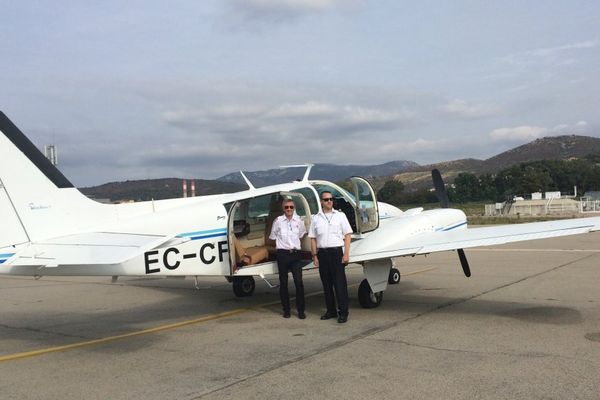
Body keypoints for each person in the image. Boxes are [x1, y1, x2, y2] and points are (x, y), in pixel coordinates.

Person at [309, 191, 353, 323]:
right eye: (326, 199)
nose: (329, 201)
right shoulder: (316, 218)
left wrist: (346, 254)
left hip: (336, 253)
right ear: (321, 202)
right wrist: (314, 256)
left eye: (331, 199)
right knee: (326, 285)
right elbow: (312, 238)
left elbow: (348, 235)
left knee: (340, 284)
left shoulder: (340, 216)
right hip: (322, 253)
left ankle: (343, 312)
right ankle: (331, 311)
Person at [269, 198, 307, 319]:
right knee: (283, 283)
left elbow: (301, 235)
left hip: (295, 254)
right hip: (283, 255)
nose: (289, 209)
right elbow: (273, 236)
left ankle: (301, 310)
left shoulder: (299, 221)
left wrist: (294, 247)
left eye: (291, 207)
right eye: (286, 207)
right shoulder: (278, 221)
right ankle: (286, 310)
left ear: (294, 208)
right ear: (283, 209)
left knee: (299, 282)